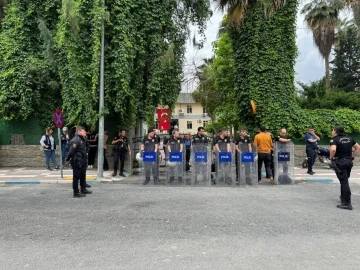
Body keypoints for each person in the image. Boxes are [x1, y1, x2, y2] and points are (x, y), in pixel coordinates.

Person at [329, 126, 360, 210]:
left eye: (332, 130)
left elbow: (333, 150)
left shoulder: (334, 140)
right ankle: (343, 197)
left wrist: (331, 158)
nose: (332, 132)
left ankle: (347, 203)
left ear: (335, 131)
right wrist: (352, 157)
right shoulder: (350, 138)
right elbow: (358, 147)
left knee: (344, 182)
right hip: (349, 162)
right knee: (345, 180)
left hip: (341, 162)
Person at [66, 126, 92, 198]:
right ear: (79, 131)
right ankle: (76, 192)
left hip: (83, 160)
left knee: (83, 175)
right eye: (83, 131)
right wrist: (68, 158)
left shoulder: (82, 139)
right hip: (77, 161)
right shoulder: (76, 140)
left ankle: (83, 189)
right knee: (76, 177)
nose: (85, 132)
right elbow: (71, 151)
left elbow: (85, 148)